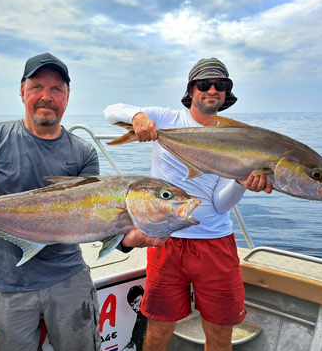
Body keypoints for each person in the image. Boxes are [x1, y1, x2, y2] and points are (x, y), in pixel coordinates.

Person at [0, 53, 163, 351]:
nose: (46, 96)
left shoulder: (83, 152)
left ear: (68, 97)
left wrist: (127, 240)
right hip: (8, 283)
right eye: (37, 87)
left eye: (57, 89)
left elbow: (94, 223)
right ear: (22, 91)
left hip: (69, 276)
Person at [103, 57, 272, 351]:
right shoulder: (168, 119)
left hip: (215, 243)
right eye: (204, 84)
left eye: (221, 85)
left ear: (226, 93)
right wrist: (139, 117)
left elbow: (220, 205)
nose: (212, 90)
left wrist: (241, 183)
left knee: (220, 335)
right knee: (158, 330)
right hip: (166, 241)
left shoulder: (232, 137)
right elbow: (110, 111)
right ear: (191, 90)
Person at [121, 285, 148, 351]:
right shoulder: (140, 315)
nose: (134, 307)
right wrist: (132, 341)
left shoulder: (152, 313)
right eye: (132, 305)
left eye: (136, 301)